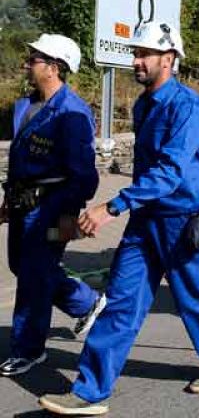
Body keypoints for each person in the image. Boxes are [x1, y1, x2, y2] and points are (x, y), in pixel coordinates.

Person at [39, 23, 199, 415]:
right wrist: (128, 207)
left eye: (145, 54)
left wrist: (112, 206)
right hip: (145, 220)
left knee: (193, 296)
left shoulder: (189, 107)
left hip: (180, 218)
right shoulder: (144, 105)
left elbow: (171, 171)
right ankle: (91, 391)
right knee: (120, 301)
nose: (136, 60)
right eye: (135, 52)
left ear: (169, 58)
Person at [0, 35, 105, 378]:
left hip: (55, 210)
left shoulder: (72, 112)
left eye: (35, 58)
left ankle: (28, 349)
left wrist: (63, 217)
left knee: (33, 274)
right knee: (22, 265)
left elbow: (85, 178)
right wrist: (9, 200)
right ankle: (87, 302)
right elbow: (20, 160)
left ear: (54, 67)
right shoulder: (26, 106)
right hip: (21, 204)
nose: (27, 62)